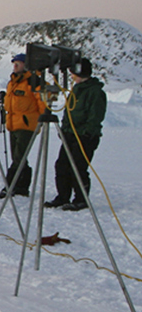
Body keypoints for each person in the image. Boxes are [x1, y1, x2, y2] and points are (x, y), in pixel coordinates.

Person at [48, 58, 106, 211]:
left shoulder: (95, 92)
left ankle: (81, 199)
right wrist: (64, 129)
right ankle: (63, 197)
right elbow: (69, 112)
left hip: (84, 137)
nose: (71, 76)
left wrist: (87, 133)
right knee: (62, 165)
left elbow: (95, 116)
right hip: (69, 134)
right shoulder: (76, 89)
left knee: (78, 167)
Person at [0, 54, 44, 199]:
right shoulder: (12, 83)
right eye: (14, 63)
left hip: (27, 125)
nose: (15, 66)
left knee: (19, 157)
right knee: (18, 157)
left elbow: (42, 103)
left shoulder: (34, 82)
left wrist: (43, 120)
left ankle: (10, 185)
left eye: (18, 63)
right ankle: (22, 187)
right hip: (13, 124)